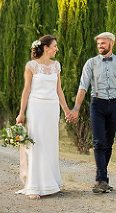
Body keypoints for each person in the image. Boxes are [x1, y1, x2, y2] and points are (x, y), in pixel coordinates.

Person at [67, 31, 116, 194]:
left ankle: (102, 179)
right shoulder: (91, 63)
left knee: (109, 144)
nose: (100, 46)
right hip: (97, 105)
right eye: (98, 44)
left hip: (114, 106)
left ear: (112, 43)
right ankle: (101, 180)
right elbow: (83, 86)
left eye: (103, 43)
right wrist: (76, 109)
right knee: (98, 143)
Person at [16, 35, 72, 199]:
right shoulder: (31, 66)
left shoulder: (56, 66)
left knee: (50, 144)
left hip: (52, 108)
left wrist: (66, 109)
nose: (57, 49)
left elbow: (59, 90)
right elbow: (26, 90)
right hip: (36, 108)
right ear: (46, 47)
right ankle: (34, 187)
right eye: (55, 46)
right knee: (37, 143)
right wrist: (21, 112)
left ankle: (51, 183)